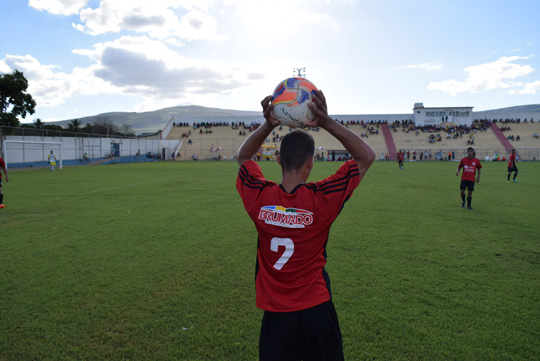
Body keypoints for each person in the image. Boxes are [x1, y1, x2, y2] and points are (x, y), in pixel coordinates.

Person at [236, 90, 375, 361]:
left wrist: (268, 124)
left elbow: (244, 158)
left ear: (278, 160)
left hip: (276, 314)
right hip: (316, 309)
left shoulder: (260, 197)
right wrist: (326, 122)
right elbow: (366, 156)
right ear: (310, 163)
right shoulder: (321, 198)